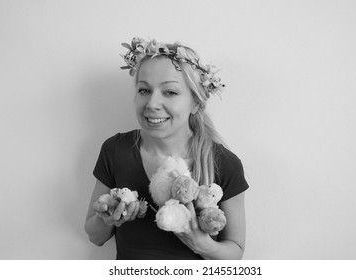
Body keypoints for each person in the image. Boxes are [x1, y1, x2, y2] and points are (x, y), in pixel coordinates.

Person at [84, 37, 249, 259]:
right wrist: (106, 220)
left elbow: (235, 254)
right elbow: (95, 237)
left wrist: (202, 244)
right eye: (144, 90)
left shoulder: (224, 164)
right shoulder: (116, 150)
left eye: (170, 92)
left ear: (196, 103)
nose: (152, 104)